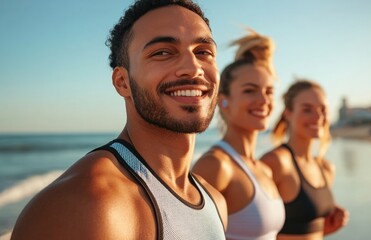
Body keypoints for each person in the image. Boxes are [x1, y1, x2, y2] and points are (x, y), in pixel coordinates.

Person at [11, 1, 227, 239]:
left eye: (203, 52)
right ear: (122, 82)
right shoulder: (90, 202)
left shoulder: (214, 199)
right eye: (162, 52)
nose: (192, 67)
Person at [192, 29, 285, 240]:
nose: (264, 100)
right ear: (223, 100)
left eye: (269, 91)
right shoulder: (216, 166)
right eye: (250, 90)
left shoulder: (264, 169)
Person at [260, 80, 349, 240]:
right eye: (307, 110)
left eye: (323, 109)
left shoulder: (326, 168)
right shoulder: (275, 163)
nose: (318, 117)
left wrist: (330, 227)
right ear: (288, 113)